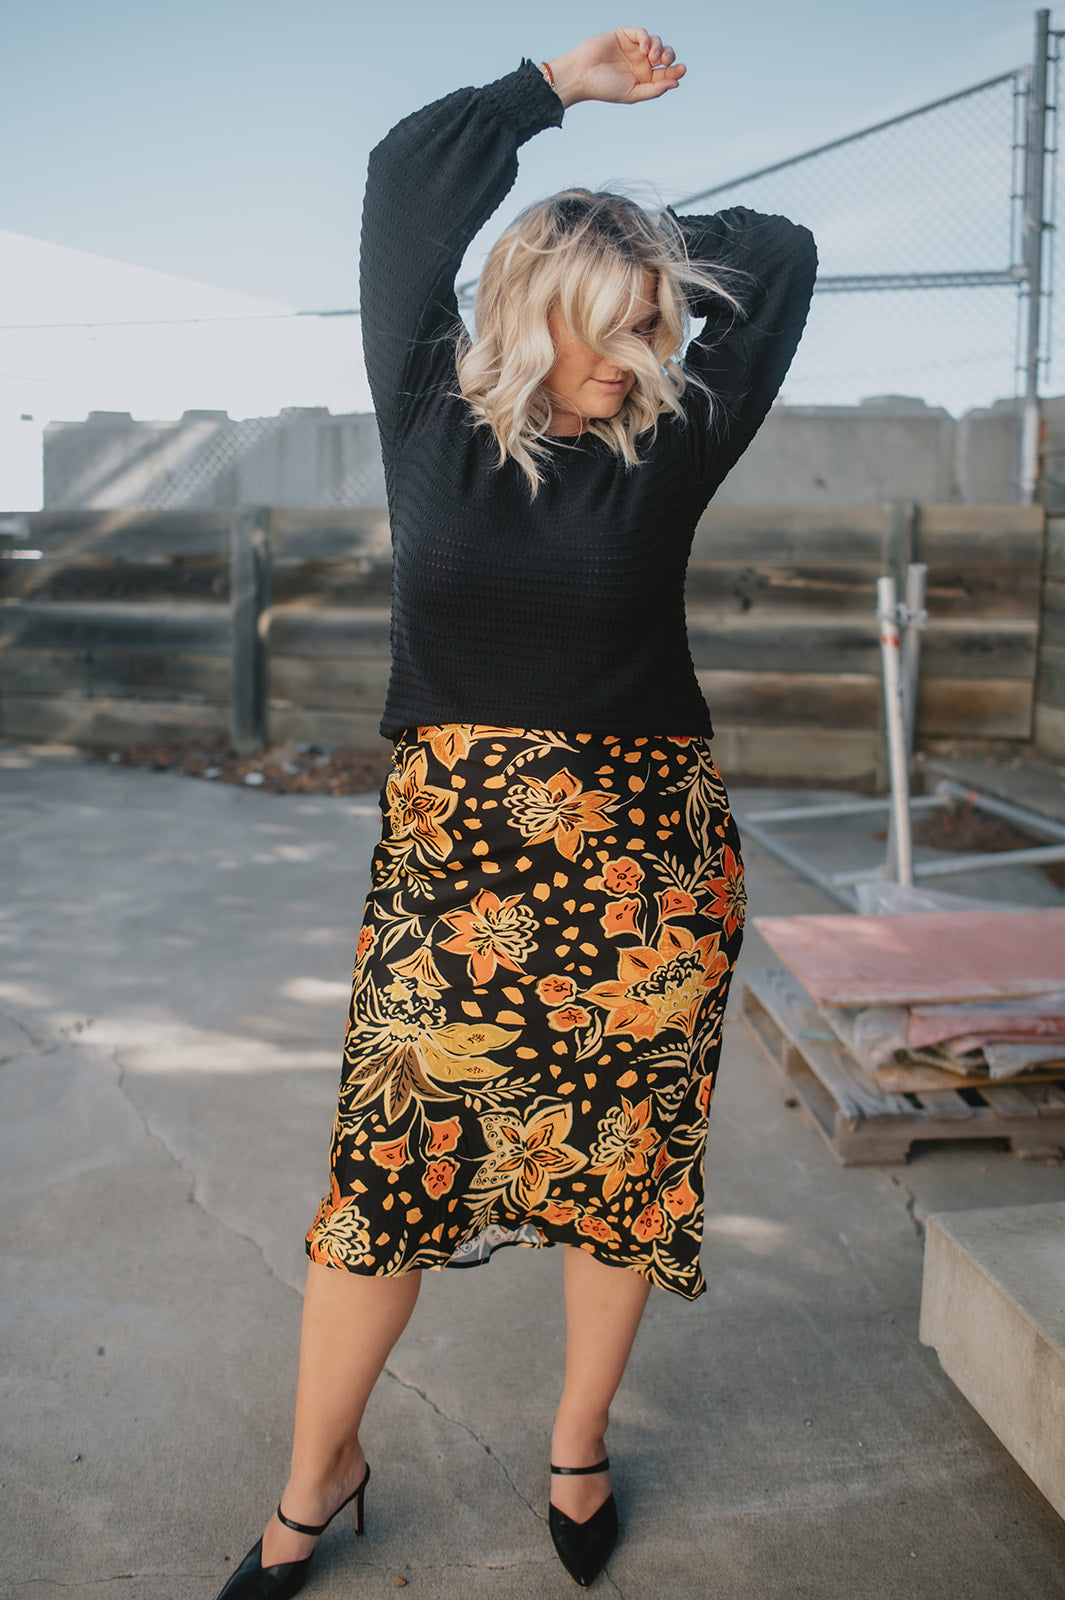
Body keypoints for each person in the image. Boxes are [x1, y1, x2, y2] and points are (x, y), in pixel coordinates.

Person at [216, 25, 816, 1599]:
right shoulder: (428, 407)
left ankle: (576, 1444)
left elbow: (782, 252)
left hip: (648, 880)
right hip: (451, 882)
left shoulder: (669, 436)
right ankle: (315, 1478)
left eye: (651, 322)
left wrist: (635, 242)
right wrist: (551, 94)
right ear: (529, 306)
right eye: (603, 321)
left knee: (621, 1182)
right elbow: (405, 179)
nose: (633, 350)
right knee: (380, 1193)